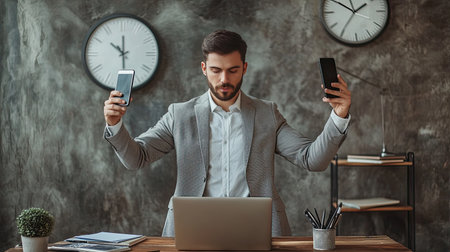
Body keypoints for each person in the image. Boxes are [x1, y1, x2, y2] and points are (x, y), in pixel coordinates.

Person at [103, 30, 351, 236]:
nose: (224, 79)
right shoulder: (180, 115)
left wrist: (338, 116)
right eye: (215, 70)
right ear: (203, 68)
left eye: (232, 70)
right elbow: (137, 158)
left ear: (244, 68)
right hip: (193, 229)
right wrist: (115, 124)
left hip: (258, 229)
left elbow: (312, 159)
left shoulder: (267, 113)